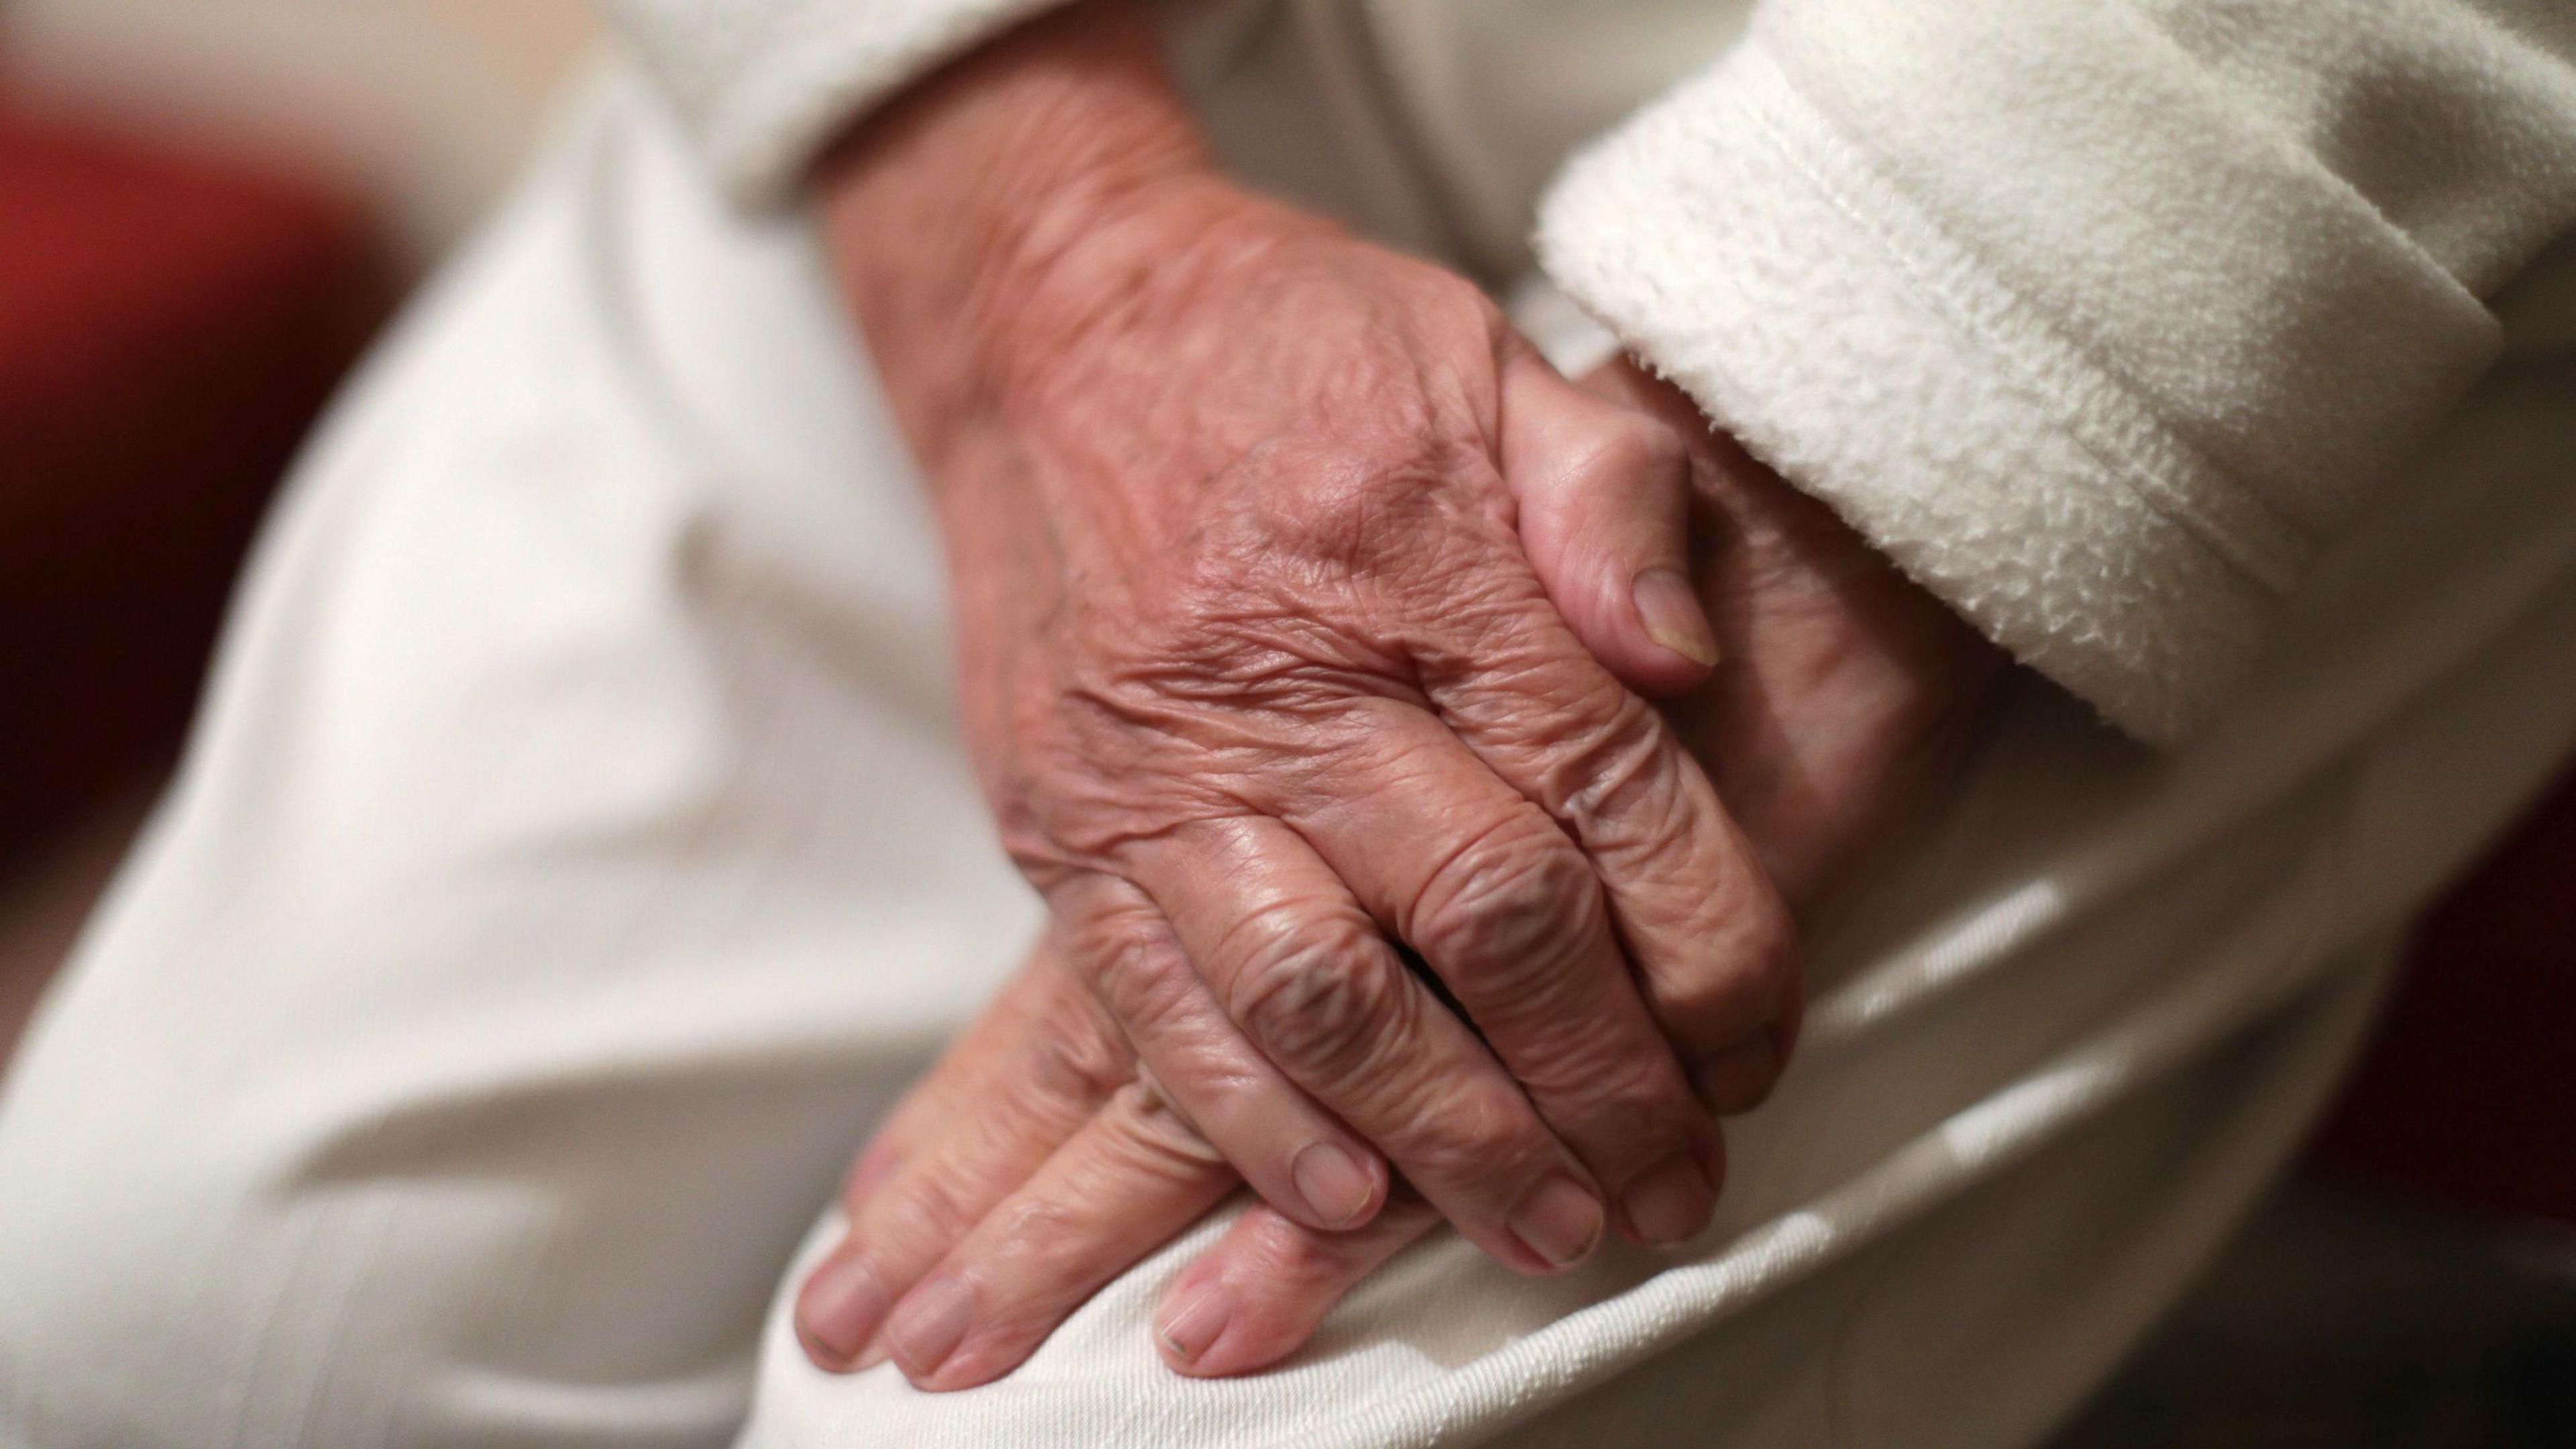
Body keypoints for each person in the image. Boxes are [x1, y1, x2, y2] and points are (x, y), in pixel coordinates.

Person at [3, 1, 2573, 1446]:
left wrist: (1923, 403)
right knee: (179, 1334)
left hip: (2131, 117)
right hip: (999, 72)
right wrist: (1030, 240)